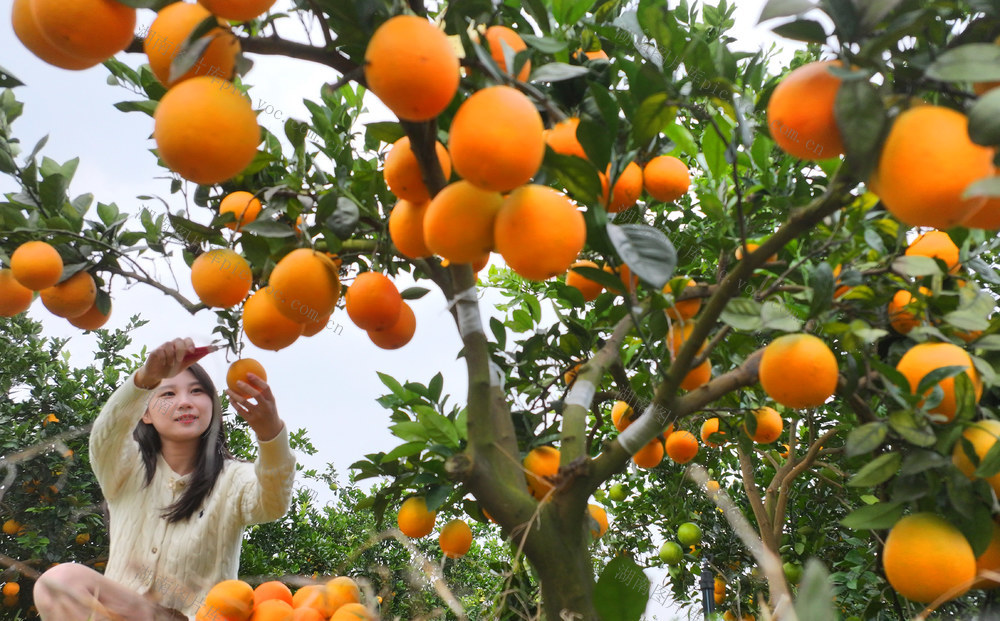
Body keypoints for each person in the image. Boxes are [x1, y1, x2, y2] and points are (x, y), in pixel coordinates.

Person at [34, 338, 296, 620]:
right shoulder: (125, 468)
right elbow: (106, 435)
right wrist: (145, 379)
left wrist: (271, 434)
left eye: (197, 391)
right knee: (57, 582)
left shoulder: (233, 478)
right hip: (124, 615)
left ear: (212, 405)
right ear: (145, 413)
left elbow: (273, 502)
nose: (185, 402)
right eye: (168, 394)